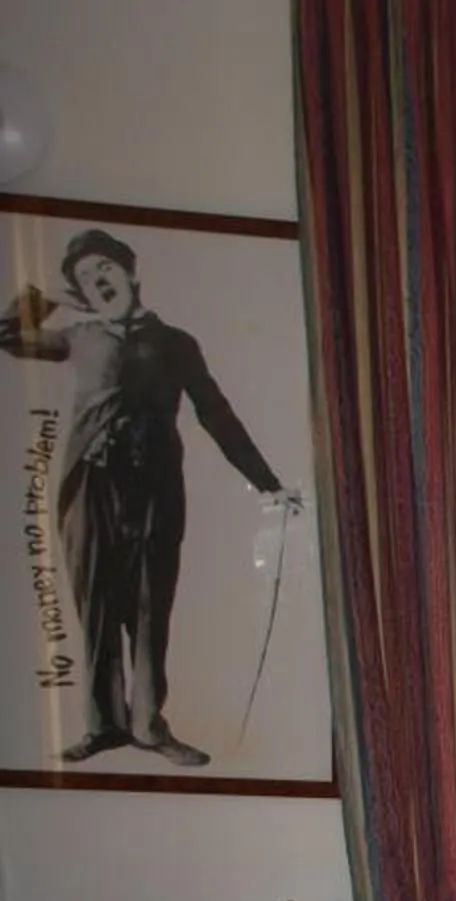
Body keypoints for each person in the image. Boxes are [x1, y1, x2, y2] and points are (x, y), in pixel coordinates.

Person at [2, 227, 289, 766]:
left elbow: (216, 413)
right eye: (85, 277)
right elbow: (7, 336)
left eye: (105, 268)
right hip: (89, 487)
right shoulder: (79, 336)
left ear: (131, 272)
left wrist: (268, 483)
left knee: (151, 606)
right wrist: (48, 297)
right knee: (95, 605)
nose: (97, 280)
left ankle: (149, 725)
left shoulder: (176, 343)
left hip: (156, 487)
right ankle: (103, 725)